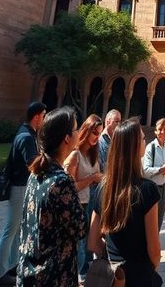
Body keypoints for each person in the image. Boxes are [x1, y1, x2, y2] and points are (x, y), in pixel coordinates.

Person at [88, 117, 162, 286]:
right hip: (140, 277)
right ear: (135, 146)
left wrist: (114, 261)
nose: (145, 141)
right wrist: (148, 267)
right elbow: (154, 250)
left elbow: (93, 241)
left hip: (113, 278)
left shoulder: (102, 188)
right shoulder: (147, 190)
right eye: (143, 139)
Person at [18, 106, 87, 286]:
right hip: (53, 275)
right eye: (76, 129)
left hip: (30, 272)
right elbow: (80, 228)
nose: (79, 132)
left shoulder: (36, 173)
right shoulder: (62, 181)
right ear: (66, 138)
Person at [0, 101, 46, 287]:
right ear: (37, 116)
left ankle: (12, 268)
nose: (44, 120)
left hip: (21, 187)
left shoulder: (27, 134)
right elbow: (33, 163)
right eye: (44, 116)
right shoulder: (26, 137)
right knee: (10, 229)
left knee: (17, 230)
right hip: (19, 188)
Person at [64, 114, 104, 281]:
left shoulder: (93, 154)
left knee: (89, 241)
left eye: (99, 133)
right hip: (78, 204)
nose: (97, 137)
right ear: (86, 130)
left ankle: (86, 273)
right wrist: (92, 179)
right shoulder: (75, 155)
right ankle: (80, 275)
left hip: (91, 202)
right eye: (95, 132)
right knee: (81, 243)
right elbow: (68, 188)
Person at [143, 117, 165, 230]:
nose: (162, 132)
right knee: (151, 221)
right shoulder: (150, 148)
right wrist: (161, 170)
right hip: (153, 187)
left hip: (164, 187)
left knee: (160, 218)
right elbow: (145, 170)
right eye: (160, 129)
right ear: (155, 131)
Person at [98, 109, 122, 173]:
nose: (119, 125)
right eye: (116, 121)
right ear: (108, 122)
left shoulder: (118, 140)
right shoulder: (99, 141)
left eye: (120, 122)